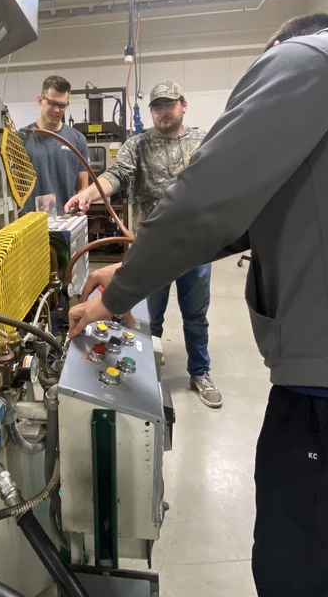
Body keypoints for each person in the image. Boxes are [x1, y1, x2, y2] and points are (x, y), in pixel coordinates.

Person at [69, 13, 328, 596]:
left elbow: (203, 201)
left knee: (294, 570)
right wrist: (135, 268)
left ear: (281, 46)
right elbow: (255, 215)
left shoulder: (310, 61)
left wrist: (117, 298)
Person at [65, 80, 219, 408]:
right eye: (156, 106)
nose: (162, 111)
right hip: (151, 250)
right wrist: (88, 193)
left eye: (168, 104)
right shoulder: (138, 144)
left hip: (195, 247)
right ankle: (148, 369)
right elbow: (114, 175)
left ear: (183, 104)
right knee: (150, 316)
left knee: (195, 314)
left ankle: (200, 372)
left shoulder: (203, 141)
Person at [20, 75, 89, 215]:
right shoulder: (21, 138)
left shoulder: (77, 139)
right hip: (30, 222)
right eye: (52, 103)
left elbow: (83, 186)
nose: (57, 110)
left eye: (61, 105)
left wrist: (82, 204)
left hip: (66, 220)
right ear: (40, 100)